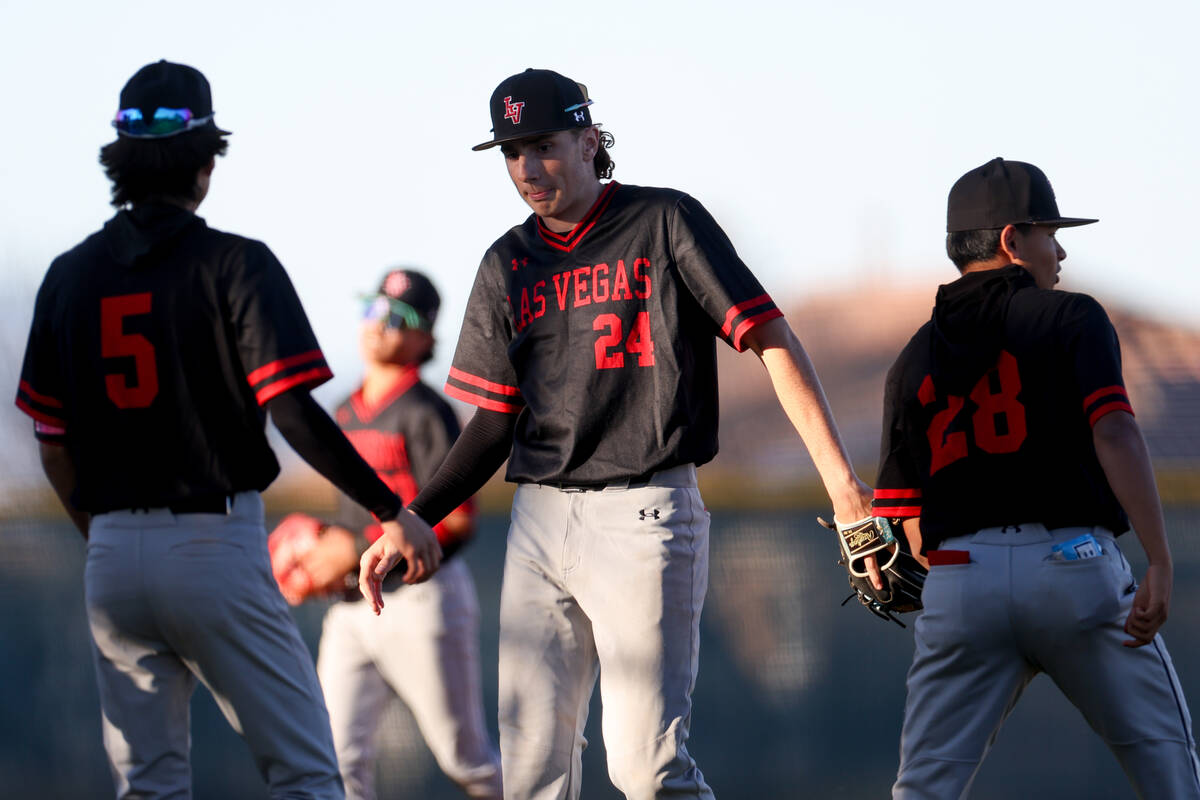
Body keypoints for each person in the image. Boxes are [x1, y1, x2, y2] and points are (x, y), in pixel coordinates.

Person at [359, 68, 875, 800]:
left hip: (645, 513)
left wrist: (843, 485)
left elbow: (771, 338)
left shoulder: (664, 221)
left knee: (645, 768)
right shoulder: (506, 261)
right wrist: (418, 514)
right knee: (531, 773)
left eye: (541, 145)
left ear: (588, 139)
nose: (526, 168)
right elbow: (495, 420)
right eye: (511, 152)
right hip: (538, 517)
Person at [14, 60, 440, 799]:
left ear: (117, 158)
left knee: (149, 785)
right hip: (210, 542)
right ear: (208, 162)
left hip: (110, 554)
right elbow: (292, 410)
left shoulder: (67, 275)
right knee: (308, 772)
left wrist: (111, 536)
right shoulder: (234, 263)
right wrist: (387, 509)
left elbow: (52, 441)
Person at [872, 157, 1200, 799]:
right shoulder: (1071, 318)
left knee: (923, 790)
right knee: (1170, 771)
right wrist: (1159, 559)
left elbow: (907, 518)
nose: (1061, 249)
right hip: (1073, 565)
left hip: (962, 577)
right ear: (1010, 241)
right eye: (1048, 232)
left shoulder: (913, 358)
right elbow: (1115, 433)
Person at [271, 268, 501, 799]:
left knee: (465, 759)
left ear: (425, 339)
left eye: (399, 318)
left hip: (422, 603)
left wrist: (352, 550)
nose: (381, 325)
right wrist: (324, 546)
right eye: (374, 309)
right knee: (333, 757)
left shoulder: (426, 411)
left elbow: (459, 520)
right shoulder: (344, 411)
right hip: (353, 608)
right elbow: (354, 520)